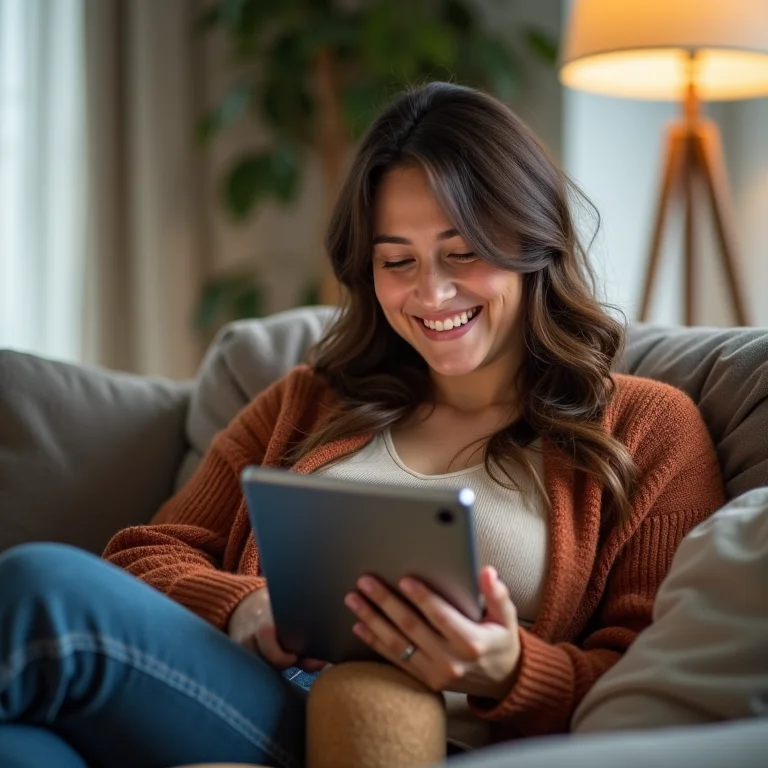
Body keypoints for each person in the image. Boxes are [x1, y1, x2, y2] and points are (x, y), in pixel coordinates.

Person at [0, 82, 724, 768]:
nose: (430, 292)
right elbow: (144, 556)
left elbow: (654, 687)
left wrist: (508, 668)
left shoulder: (647, 428)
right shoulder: (309, 401)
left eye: (462, 252)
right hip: (259, 706)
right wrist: (246, 607)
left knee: (40, 582)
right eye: (396, 261)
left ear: (533, 243)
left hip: (430, 739)